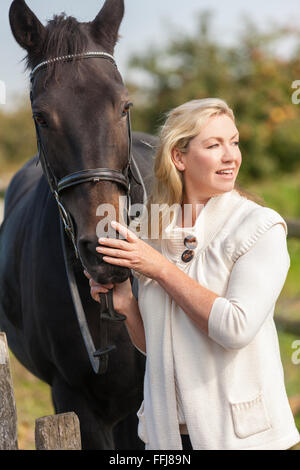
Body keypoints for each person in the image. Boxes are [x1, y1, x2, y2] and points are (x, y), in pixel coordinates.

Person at [84, 98, 300, 450]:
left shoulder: (260, 227)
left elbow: (235, 327)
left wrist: (159, 268)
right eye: (214, 145)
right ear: (178, 158)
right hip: (167, 437)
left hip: (238, 438)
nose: (231, 155)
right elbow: (157, 346)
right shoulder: (151, 231)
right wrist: (125, 305)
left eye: (234, 141)